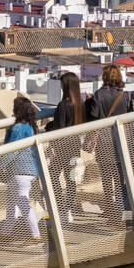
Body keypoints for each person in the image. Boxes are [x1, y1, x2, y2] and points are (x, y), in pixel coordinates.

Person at [85, 63, 134, 219]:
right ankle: (119, 212)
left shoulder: (99, 95)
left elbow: (93, 117)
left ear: (105, 77)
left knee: (106, 179)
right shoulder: (125, 96)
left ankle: (110, 209)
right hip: (120, 142)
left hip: (104, 142)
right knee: (119, 179)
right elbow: (130, 117)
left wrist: (89, 101)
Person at [0, 96, 43, 243]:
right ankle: (6, 233)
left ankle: (36, 235)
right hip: (31, 170)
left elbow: (11, 150)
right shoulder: (33, 127)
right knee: (12, 200)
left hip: (19, 171)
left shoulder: (18, 128)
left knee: (22, 201)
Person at [45, 71, 84, 224]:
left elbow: (59, 128)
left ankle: (61, 208)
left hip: (61, 148)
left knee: (52, 176)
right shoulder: (80, 103)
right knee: (71, 180)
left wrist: (50, 130)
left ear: (66, 86)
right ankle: (67, 210)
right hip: (74, 146)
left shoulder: (63, 105)